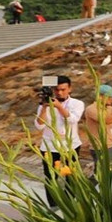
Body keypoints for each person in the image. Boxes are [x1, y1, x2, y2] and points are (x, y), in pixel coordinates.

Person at [34, 75, 84, 208]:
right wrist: (44, 107)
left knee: (72, 176)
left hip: (70, 145)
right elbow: (39, 126)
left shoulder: (77, 104)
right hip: (50, 146)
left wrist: (59, 107)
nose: (60, 93)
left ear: (70, 89)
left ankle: (70, 204)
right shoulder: (44, 104)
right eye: (57, 90)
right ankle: (53, 205)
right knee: (51, 177)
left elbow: (72, 119)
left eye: (63, 89)